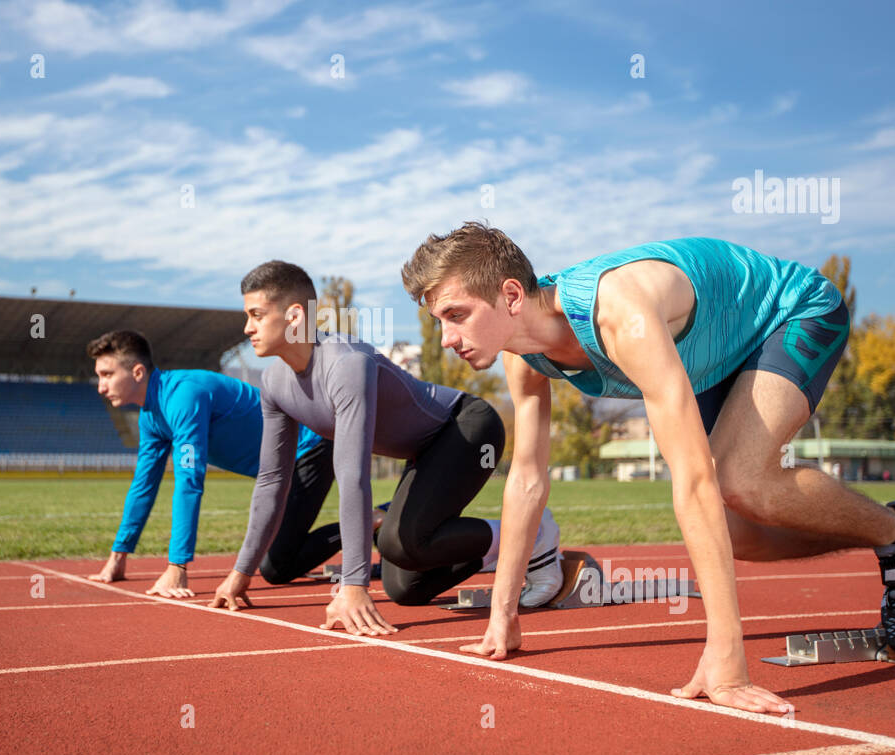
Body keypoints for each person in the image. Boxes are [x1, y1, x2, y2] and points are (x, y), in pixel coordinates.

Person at [401, 224, 895, 714]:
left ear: (511, 295)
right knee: (738, 535)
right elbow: (527, 478)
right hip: (712, 358)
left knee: (739, 479)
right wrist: (504, 615)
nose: (447, 338)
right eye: (439, 320)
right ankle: (886, 534)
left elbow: (692, 479)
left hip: (786, 312)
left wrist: (727, 660)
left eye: (456, 315)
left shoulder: (619, 316)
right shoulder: (525, 358)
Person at [210, 261, 564, 634]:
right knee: (405, 589)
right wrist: (240, 573)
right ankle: (494, 549)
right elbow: (272, 481)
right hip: (422, 453)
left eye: (256, 315)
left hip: (466, 428)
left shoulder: (347, 363)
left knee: (402, 540)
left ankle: (535, 533)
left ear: (295, 315)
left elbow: (352, 476)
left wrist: (353, 585)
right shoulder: (273, 384)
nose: (248, 327)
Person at [87, 330, 333, 596]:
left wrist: (176, 566)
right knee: (278, 556)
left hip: (310, 449)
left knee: (276, 568)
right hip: (282, 469)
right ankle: (378, 530)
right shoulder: (151, 417)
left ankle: (373, 519)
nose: (101, 386)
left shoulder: (184, 396)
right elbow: (143, 486)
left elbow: (189, 481)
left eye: (107, 375)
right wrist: (117, 557)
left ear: (137, 372)